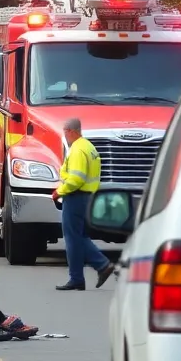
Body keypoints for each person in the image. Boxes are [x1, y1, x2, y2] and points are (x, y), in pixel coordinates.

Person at [51, 118, 116, 291]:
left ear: (71, 131)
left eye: (65, 132)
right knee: (79, 236)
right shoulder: (89, 146)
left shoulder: (78, 149)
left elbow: (76, 178)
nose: (65, 136)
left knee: (73, 238)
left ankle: (93, 269)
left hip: (75, 196)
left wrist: (60, 191)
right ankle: (87, 273)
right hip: (87, 196)